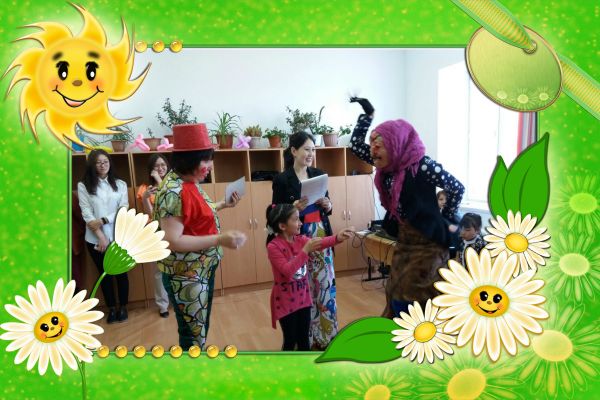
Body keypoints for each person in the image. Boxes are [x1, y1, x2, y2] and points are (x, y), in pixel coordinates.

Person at [349, 97, 464, 318]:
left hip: (429, 242)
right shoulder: (389, 164)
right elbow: (355, 146)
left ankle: (422, 333)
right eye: (372, 145)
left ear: (395, 145)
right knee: (394, 290)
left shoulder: (422, 165)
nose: (373, 151)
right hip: (405, 239)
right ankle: (397, 332)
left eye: (379, 145)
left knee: (415, 296)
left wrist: (447, 217)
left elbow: (456, 187)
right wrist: (367, 116)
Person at [154, 123, 246, 350]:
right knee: (192, 335)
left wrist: (222, 204)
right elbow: (173, 240)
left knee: (199, 328)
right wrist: (219, 239)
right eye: (205, 160)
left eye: (210, 159)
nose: (210, 166)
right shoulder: (174, 191)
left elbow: (193, 213)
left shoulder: (187, 181)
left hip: (201, 269)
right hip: (186, 275)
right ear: (188, 160)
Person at [272, 131, 337, 350]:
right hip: (298, 237)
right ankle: (305, 339)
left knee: (325, 285)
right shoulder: (282, 179)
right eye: (307, 149)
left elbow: (328, 206)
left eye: (313, 150)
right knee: (304, 288)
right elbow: (274, 213)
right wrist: (292, 208)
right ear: (294, 151)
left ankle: (326, 337)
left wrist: (328, 205)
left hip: (320, 233)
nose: (311, 154)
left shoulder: (318, 174)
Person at [266, 203, 353, 351]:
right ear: (282, 226)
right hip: (286, 303)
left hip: (303, 300)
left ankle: (305, 365)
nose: (300, 223)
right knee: (290, 341)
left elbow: (321, 242)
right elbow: (288, 271)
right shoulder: (273, 247)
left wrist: (338, 237)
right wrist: (305, 251)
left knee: (304, 340)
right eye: (296, 220)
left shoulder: (300, 240)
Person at [78, 149, 129, 323]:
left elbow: (124, 208)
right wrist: (101, 237)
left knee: (121, 273)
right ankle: (112, 309)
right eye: (98, 162)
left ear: (109, 163)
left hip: (118, 236)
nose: (102, 165)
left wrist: (104, 220)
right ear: (92, 165)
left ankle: (123, 307)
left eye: (105, 162)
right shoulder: (84, 186)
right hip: (95, 238)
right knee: (104, 275)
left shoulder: (120, 184)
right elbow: (87, 213)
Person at [136, 154, 171, 318]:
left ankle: (178, 300)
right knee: (159, 271)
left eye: (163, 165)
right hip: (156, 232)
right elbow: (151, 215)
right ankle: (163, 305)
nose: (161, 168)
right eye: (157, 166)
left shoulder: (172, 185)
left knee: (177, 267)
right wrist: (145, 199)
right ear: (151, 169)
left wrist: (159, 180)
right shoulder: (145, 189)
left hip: (174, 229)